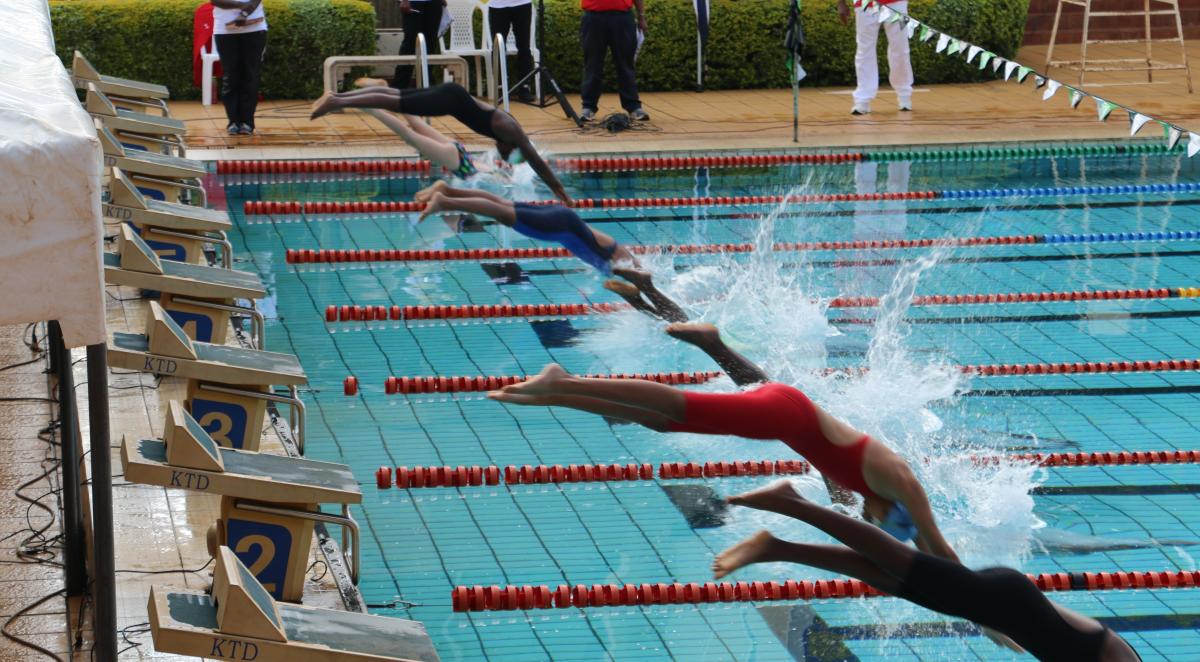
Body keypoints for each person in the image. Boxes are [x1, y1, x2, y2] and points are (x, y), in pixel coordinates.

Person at [487, 355, 955, 559]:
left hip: (780, 414)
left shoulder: (864, 491)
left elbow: (917, 549)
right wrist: (988, 616)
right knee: (675, 406)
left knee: (660, 421)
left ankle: (562, 395)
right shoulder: (898, 481)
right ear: (889, 514)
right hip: (780, 411)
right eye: (874, 522)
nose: (862, 518)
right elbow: (936, 546)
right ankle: (564, 382)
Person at [713, 480, 1142, 661]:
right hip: (1007, 601)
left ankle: (775, 546)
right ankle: (792, 502)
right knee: (901, 565)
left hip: (1006, 604)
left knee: (892, 577)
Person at [310, 83, 571, 204]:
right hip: (450, 101)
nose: (502, 157)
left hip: (452, 96)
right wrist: (560, 191)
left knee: (395, 95)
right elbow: (536, 162)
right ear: (513, 147)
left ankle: (338, 97)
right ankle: (337, 101)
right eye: (510, 156)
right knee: (394, 101)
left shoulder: (507, 131)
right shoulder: (511, 131)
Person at [416, 181, 635, 273]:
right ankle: (445, 202)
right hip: (558, 227)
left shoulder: (619, 252)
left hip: (563, 219)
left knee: (500, 205)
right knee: (500, 212)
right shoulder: (621, 267)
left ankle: (449, 191)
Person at [837, 0, 913, 115]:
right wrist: (841, 3)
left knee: (900, 47)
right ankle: (862, 98)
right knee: (864, 50)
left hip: (897, 3)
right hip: (864, 3)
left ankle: (904, 93)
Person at [580, 0, 649, 122]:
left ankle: (633, 107)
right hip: (593, 17)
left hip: (622, 17)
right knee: (592, 64)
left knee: (625, 65)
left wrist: (641, 16)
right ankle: (588, 107)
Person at [209, 0, 267, 135]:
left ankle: (247, 122)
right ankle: (233, 121)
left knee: (250, 76)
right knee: (230, 76)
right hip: (225, 30)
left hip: (254, 27)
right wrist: (240, 5)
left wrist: (246, 12)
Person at [488, 0, 536, 103]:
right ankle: (501, 87)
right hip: (498, 6)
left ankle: (525, 87)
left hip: (522, 4)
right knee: (498, 48)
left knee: (524, 47)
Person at [394, 0, 446, 89]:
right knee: (409, 46)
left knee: (430, 46)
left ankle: (425, 88)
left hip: (434, 4)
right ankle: (399, 89)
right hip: (414, 3)